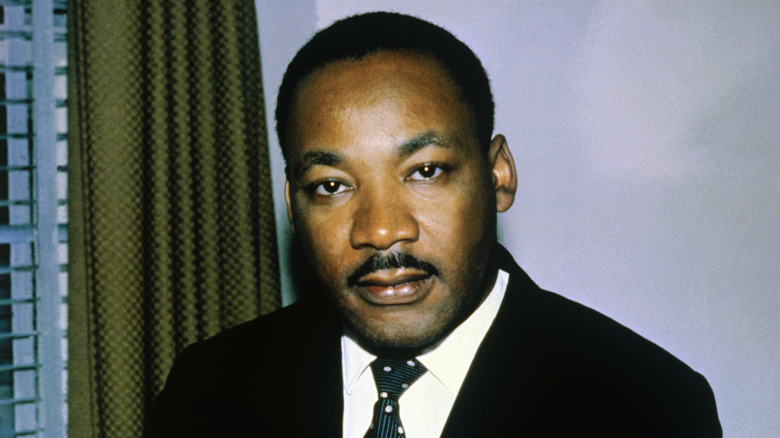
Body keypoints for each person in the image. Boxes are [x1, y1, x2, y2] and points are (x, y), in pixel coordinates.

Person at [144, 12, 721, 437]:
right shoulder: (210, 390)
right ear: (294, 206)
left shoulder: (646, 407)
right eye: (332, 185)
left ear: (497, 177)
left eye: (424, 171)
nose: (380, 230)